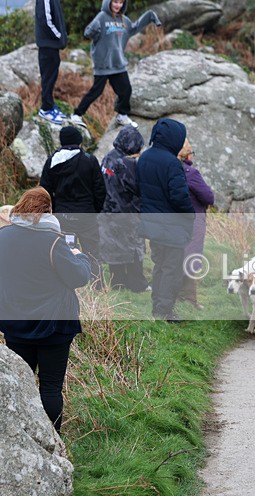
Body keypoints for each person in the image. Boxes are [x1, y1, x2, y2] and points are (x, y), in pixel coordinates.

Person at [0, 187, 92, 433]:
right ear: (48, 211)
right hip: (54, 326)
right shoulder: (54, 241)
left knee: (21, 385)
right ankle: (54, 446)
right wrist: (80, 256)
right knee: (50, 388)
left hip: (15, 324)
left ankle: (22, 439)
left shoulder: (3, 237)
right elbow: (79, 277)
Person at [137, 118, 195, 322]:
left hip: (151, 224)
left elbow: (138, 190)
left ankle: (158, 307)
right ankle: (165, 311)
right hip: (171, 226)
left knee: (159, 266)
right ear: (174, 138)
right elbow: (179, 197)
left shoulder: (144, 158)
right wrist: (190, 214)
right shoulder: (172, 163)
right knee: (171, 269)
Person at [70, 0, 161, 128]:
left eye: (121, 2)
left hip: (118, 64)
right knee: (96, 91)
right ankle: (77, 115)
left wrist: (149, 17)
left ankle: (122, 115)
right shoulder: (102, 17)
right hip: (103, 64)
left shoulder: (124, 20)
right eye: (115, 2)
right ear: (109, 2)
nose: (118, 5)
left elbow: (134, 29)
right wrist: (94, 31)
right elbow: (88, 33)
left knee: (125, 90)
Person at [40, 126, 105, 287]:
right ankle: (97, 286)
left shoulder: (52, 161)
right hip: (86, 216)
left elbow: (44, 191)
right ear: (79, 141)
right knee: (92, 251)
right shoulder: (89, 160)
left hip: (63, 216)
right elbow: (100, 190)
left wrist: (54, 209)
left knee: (66, 250)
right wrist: (95, 210)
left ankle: (67, 284)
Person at [98, 125, 149, 292]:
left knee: (114, 250)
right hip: (127, 213)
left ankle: (117, 283)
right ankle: (137, 284)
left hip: (108, 211)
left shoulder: (108, 158)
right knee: (134, 249)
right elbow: (136, 188)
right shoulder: (127, 163)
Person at [177, 139, 214, 310]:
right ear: (187, 154)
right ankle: (190, 298)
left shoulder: (172, 171)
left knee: (177, 256)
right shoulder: (190, 172)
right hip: (193, 219)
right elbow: (208, 197)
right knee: (191, 256)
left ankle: (177, 295)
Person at [34, 0, 68, 125]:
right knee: (48, 79)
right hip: (47, 46)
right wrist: (59, 36)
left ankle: (50, 105)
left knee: (51, 78)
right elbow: (46, 20)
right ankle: (46, 109)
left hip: (52, 46)